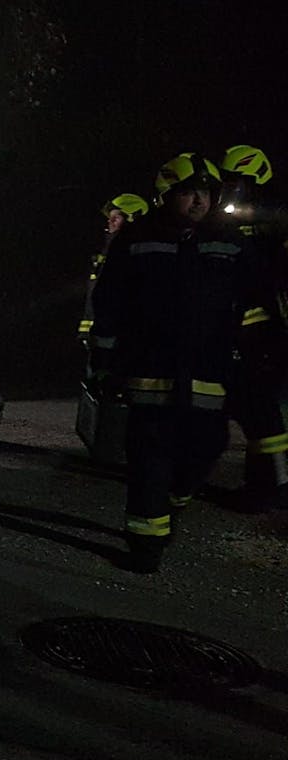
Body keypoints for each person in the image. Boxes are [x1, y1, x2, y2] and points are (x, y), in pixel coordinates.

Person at [90, 153, 276, 572]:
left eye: (207, 193)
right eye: (190, 192)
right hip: (149, 372)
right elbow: (110, 301)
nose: (199, 201)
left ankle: (172, 504)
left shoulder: (230, 242)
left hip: (210, 372)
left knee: (207, 447)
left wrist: (257, 348)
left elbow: (255, 298)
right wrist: (103, 359)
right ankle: (145, 545)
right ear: (166, 196)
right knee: (149, 458)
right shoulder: (136, 239)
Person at [217, 144, 288, 511]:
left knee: (265, 410)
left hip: (269, 330)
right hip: (251, 327)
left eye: (239, 184)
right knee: (262, 409)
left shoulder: (272, 218)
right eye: (229, 185)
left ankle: (268, 487)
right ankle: (264, 484)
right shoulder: (233, 223)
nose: (233, 193)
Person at [79, 194, 148, 347]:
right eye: (110, 218)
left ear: (132, 218)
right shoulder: (106, 250)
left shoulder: (139, 252)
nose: (109, 222)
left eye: (116, 218)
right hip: (99, 337)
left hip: (122, 339)